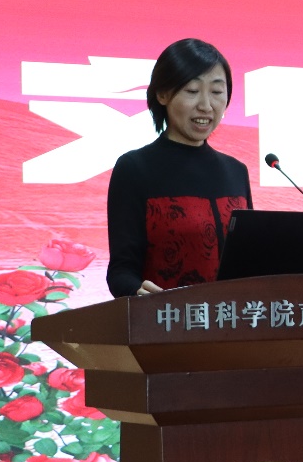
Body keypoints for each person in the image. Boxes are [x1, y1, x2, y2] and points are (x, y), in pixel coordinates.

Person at [106, 39, 252, 297]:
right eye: (192, 90)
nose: (206, 105)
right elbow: (121, 270)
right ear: (162, 94)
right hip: (167, 317)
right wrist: (136, 291)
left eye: (217, 91)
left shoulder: (236, 171)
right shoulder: (134, 168)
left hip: (233, 317)